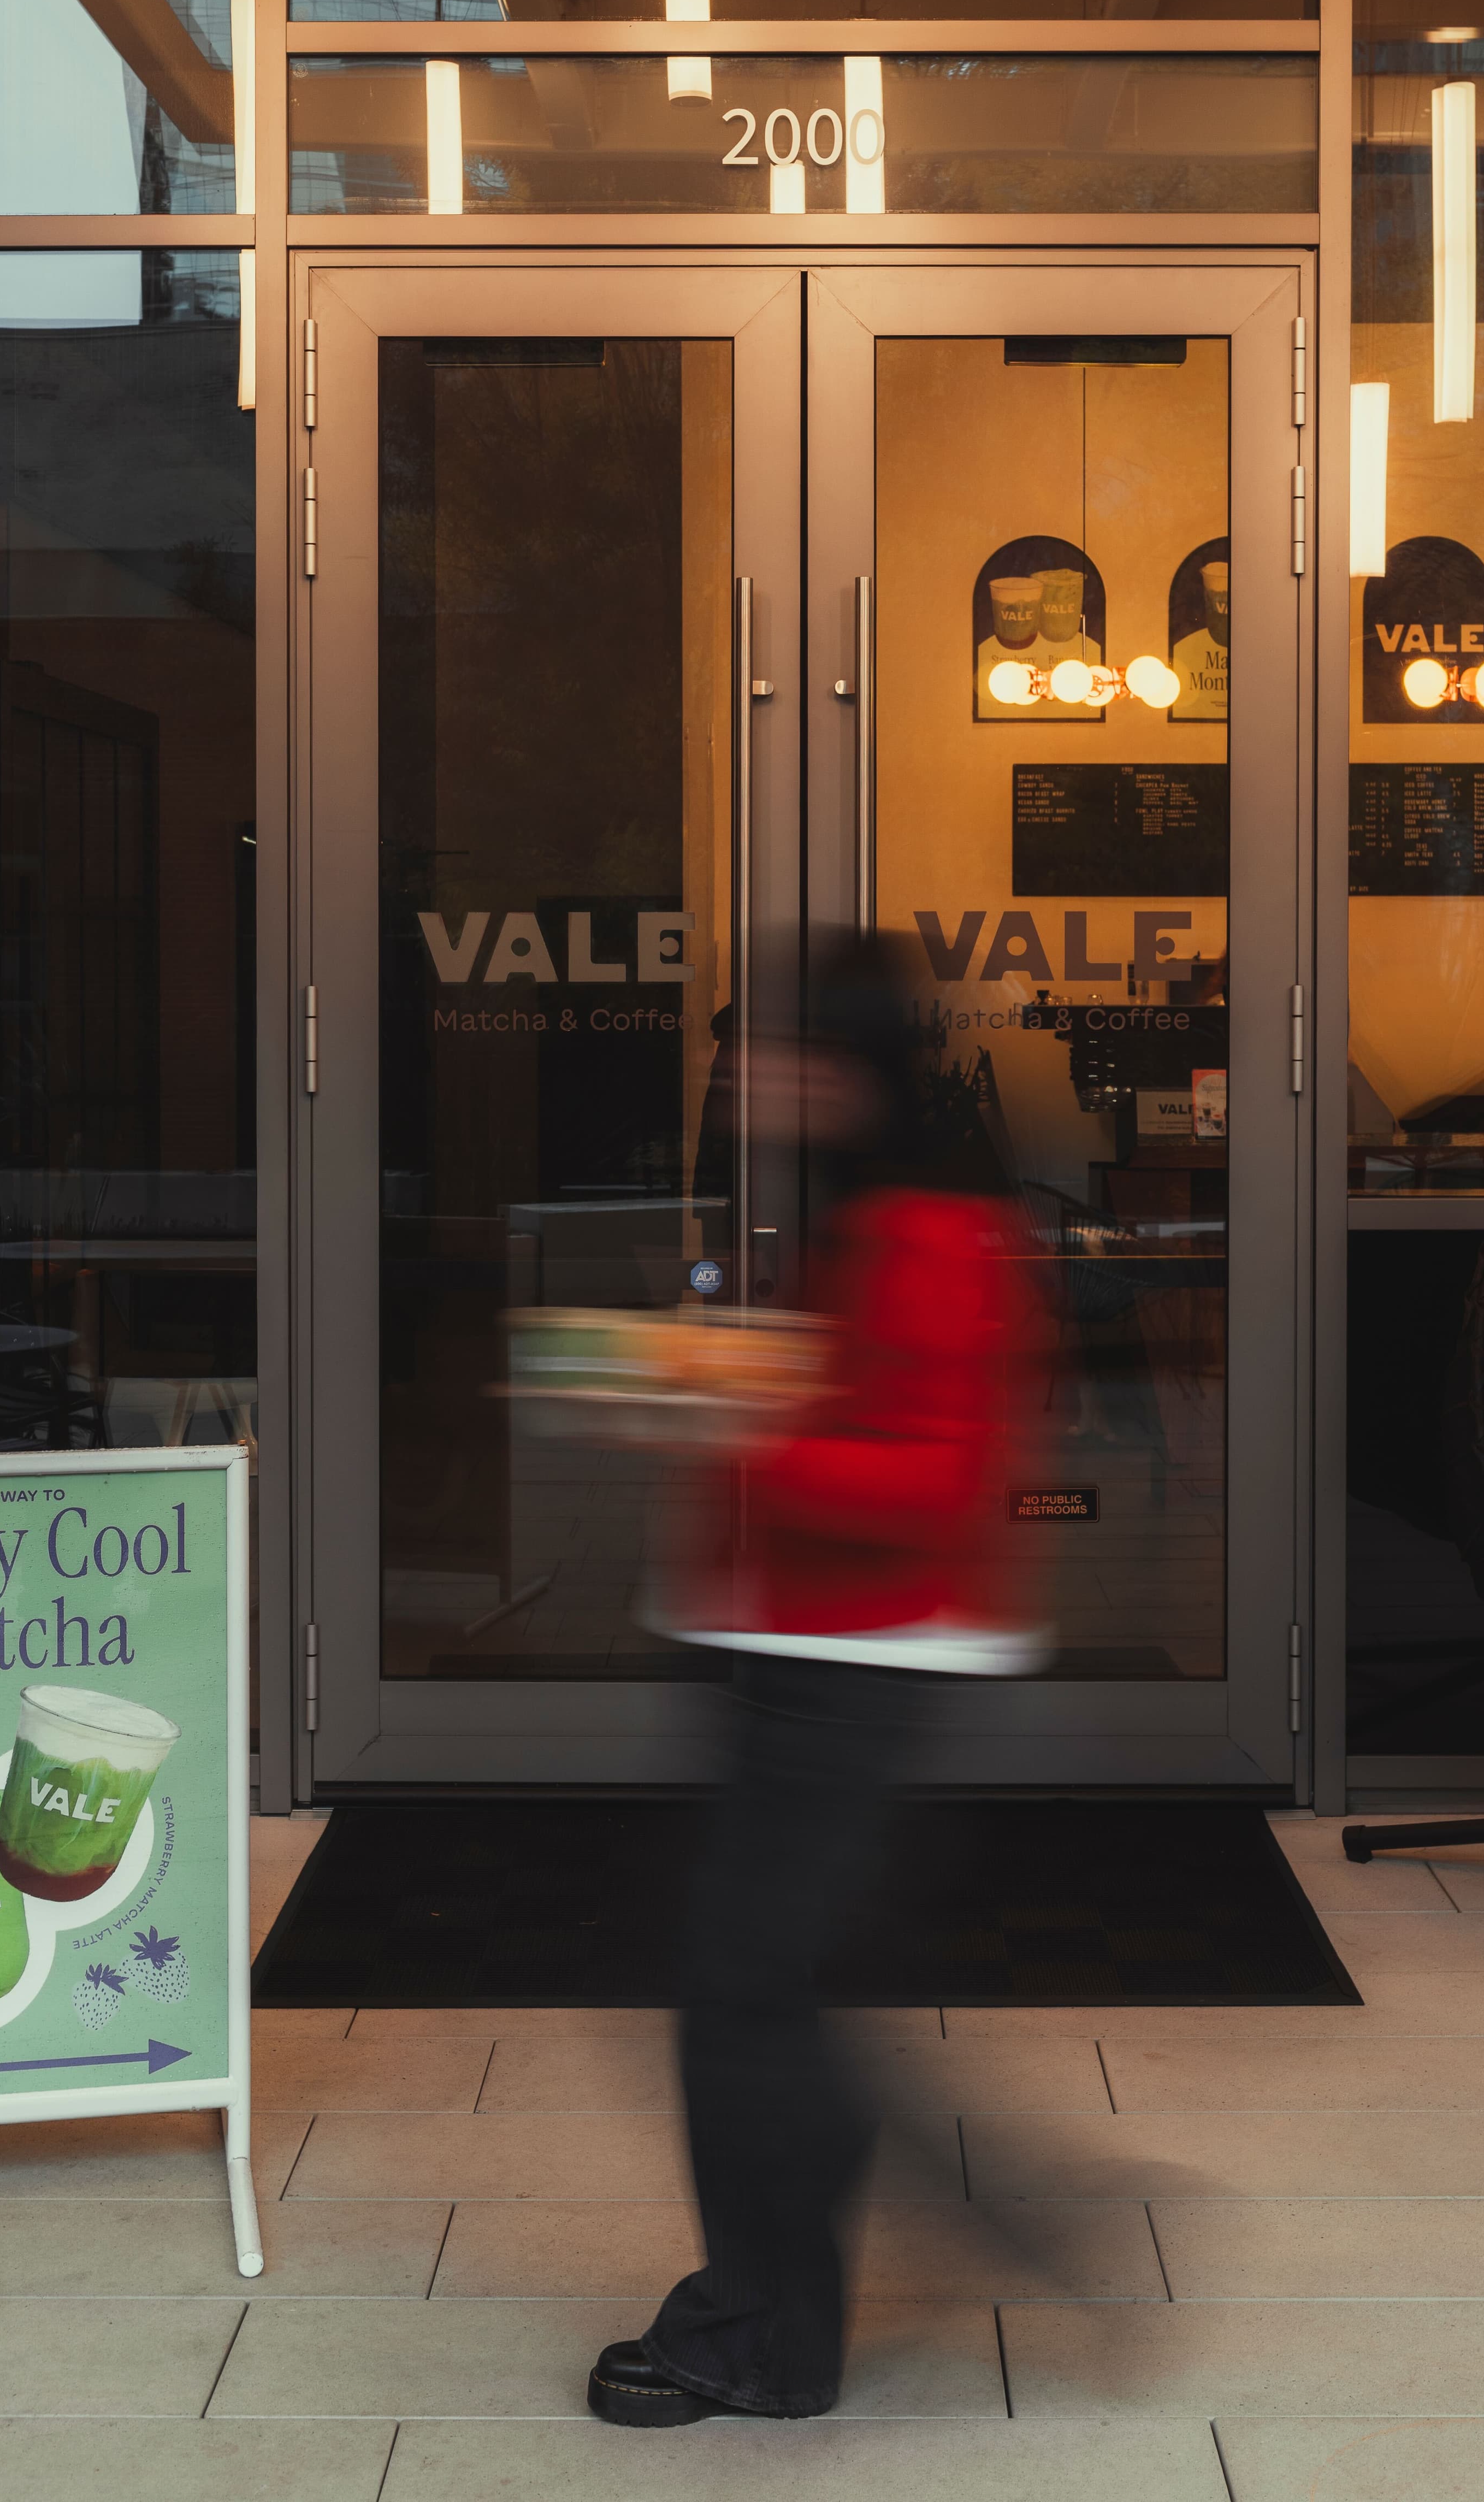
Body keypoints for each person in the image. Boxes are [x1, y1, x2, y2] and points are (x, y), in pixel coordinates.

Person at [586, 939, 1048, 2429]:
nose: (746, 1073)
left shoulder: (932, 1231)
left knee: (746, 1996)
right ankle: (931, 2244)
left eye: (774, 1048)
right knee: (759, 1988)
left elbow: (934, 1481)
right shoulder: (858, 1209)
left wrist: (731, 1418)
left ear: (845, 1067)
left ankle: (766, 2337)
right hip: (796, 1645)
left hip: (856, 1660)